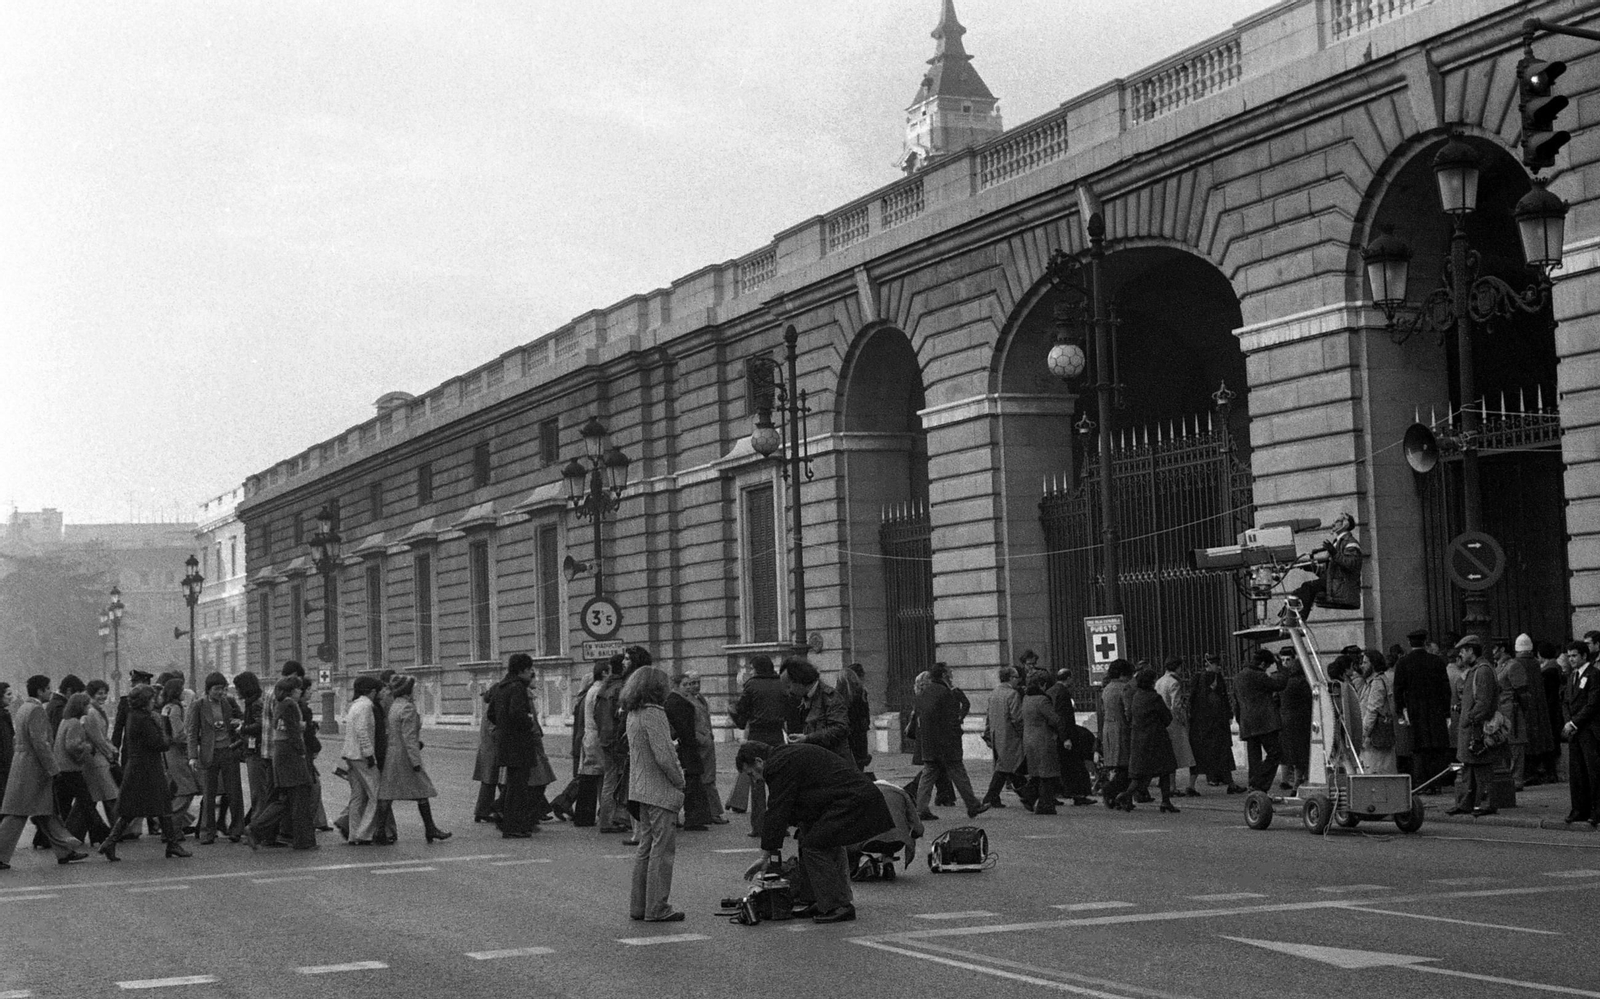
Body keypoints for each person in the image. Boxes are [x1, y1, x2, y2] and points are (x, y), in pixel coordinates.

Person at [737, 739, 894, 925]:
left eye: (751, 773)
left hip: (852, 801)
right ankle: (823, 901)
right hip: (849, 799)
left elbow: (778, 809)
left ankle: (838, 905)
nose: (755, 780)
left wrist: (765, 855)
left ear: (759, 761)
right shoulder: (784, 756)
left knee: (815, 844)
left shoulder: (778, 765)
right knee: (810, 836)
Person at [96, 683, 191, 862]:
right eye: (152, 698)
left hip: (139, 767)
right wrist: (164, 731)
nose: (154, 701)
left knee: (135, 809)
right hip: (147, 768)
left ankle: (111, 842)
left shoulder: (134, 716)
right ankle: (171, 844)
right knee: (161, 806)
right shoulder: (145, 719)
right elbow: (159, 744)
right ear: (145, 701)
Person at [623, 665, 685, 922]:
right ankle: (657, 907)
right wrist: (679, 780)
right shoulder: (655, 714)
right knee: (663, 849)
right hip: (659, 789)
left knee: (646, 847)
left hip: (639, 788)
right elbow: (665, 755)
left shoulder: (632, 713)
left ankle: (639, 906)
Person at [243, 677, 316, 850]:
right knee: (300, 797)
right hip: (290, 755)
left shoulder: (279, 704)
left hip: (281, 754)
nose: (301, 692)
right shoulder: (290, 705)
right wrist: (302, 751)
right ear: (292, 691)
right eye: (298, 689)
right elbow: (292, 732)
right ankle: (303, 840)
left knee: (285, 799)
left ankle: (256, 828)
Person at [378, 675, 452, 843]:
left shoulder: (394, 706)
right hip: (405, 756)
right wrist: (416, 761)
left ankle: (380, 831)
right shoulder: (408, 708)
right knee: (422, 791)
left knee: (387, 793)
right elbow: (409, 737)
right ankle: (430, 828)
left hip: (392, 754)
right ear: (407, 691)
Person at [909, 662, 988, 820]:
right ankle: (973, 805)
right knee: (958, 773)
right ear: (944, 675)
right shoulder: (946, 693)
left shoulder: (924, 693)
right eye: (949, 672)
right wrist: (957, 733)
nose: (952, 675)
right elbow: (951, 719)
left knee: (928, 775)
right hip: (946, 743)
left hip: (929, 742)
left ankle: (921, 808)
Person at [729, 655, 789, 838]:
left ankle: (759, 825)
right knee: (779, 782)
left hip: (757, 734)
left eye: (752, 668)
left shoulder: (751, 685)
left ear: (757, 669)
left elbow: (741, 715)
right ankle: (781, 824)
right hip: (777, 735)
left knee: (757, 781)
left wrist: (732, 712)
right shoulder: (781, 684)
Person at [1391, 628, 1452, 791]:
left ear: (1410, 643)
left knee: (1418, 748)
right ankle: (1436, 783)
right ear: (1425, 642)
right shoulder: (1437, 661)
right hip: (1436, 709)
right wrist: (1447, 712)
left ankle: (1421, 783)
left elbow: (1398, 690)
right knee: (1435, 747)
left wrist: (1401, 711)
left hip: (1414, 710)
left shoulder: (1403, 663)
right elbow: (1445, 689)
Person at [1448, 635, 1502, 817]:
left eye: (1463, 651)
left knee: (1482, 768)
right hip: (1471, 728)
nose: (1461, 655)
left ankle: (1486, 804)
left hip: (1477, 729)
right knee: (1469, 768)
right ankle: (1466, 803)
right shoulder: (1475, 670)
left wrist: (1470, 718)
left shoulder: (1483, 670)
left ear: (1471, 650)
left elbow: (1484, 702)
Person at [186, 672, 243, 845]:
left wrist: (237, 723)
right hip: (208, 754)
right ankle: (207, 832)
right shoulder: (199, 705)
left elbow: (241, 718)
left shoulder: (229, 702)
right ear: (208, 689)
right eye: (217, 689)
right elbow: (192, 732)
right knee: (209, 795)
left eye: (223, 689)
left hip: (228, 751)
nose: (220, 692)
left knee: (234, 793)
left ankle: (236, 830)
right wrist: (192, 756)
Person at [52, 693, 109, 845]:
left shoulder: (65, 721)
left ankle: (94, 833)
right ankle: (100, 831)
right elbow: (72, 745)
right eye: (86, 705)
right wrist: (88, 747)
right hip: (71, 769)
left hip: (61, 768)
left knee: (67, 805)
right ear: (80, 707)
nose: (89, 708)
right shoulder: (75, 723)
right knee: (86, 801)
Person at [1287, 511, 1362, 623]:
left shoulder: (1350, 543)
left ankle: (1299, 620)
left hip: (1341, 586)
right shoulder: (1337, 543)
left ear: (1345, 524)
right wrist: (1311, 567)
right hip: (1334, 583)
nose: (1333, 524)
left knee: (1308, 587)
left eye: (1336, 521)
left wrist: (1334, 553)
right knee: (1297, 593)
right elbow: (1327, 572)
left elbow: (1351, 564)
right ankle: (1288, 619)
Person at [780, 657, 855, 767]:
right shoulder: (803, 698)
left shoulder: (830, 697)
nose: (788, 691)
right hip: (819, 762)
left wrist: (807, 738)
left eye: (789, 686)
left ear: (800, 681)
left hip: (835, 764)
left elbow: (840, 729)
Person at [1123, 668, 1180, 812]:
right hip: (1156, 739)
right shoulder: (1154, 698)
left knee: (1140, 773)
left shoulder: (1136, 696)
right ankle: (1165, 801)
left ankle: (1127, 795)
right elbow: (1167, 717)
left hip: (1138, 739)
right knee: (1165, 770)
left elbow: (1129, 716)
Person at [1234, 648, 1288, 794]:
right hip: (1264, 723)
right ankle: (1259, 784)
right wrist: (1281, 668)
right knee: (1275, 753)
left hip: (1247, 723)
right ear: (1263, 663)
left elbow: (1236, 703)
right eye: (1267, 665)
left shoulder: (1238, 676)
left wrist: (1240, 721)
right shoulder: (1258, 676)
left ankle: (1253, 785)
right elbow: (1279, 684)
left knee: (1254, 758)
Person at [1187, 654, 1243, 793]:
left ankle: (1191, 786)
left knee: (1200, 757)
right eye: (1216, 664)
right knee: (1223, 755)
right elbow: (1222, 703)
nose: (1219, 667)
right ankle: (1230, 784)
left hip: (1201, 728)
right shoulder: (1212, 690)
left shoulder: (1198, 683)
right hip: (1215, 727)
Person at [340, 676, 382, 845]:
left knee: (357, 796)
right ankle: (364, 833)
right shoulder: (366, 706)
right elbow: (362, 731)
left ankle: (353, 833)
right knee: (376, 793)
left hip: (350, 755)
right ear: (371, 692)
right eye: (376, 691)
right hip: (361, 756)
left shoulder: (355, 705)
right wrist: (369, 754)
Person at [680, 672, 727, 824]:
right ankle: (713, 812)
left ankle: (711, 811)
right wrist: (701, 738)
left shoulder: (700, 698)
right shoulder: (687, 701)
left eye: (697, 682)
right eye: (691, 683)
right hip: (701, 743)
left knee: (709, 778)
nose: (695, 686)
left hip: (707, 743)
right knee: (705, 779)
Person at [664, 675, 709, 830]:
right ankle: (694, 819)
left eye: (691, 684)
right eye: (686, 684)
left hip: (680, 746)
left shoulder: (672, 701)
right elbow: (685, 729)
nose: (689, 687)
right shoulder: (681, 703)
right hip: (686, 748)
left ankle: (683, 818)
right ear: (677, 685)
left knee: (686, 783)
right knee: (692, 784)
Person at [1564, 639, 1600, 827]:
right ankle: (1578, 809)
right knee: (1577, 772)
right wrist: (1568, 721)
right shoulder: (1572, 676)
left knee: (1592, 772)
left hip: (1589, 730)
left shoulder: (1594, 675)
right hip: (1575, 731)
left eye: (1574, 655)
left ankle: (1596, 811)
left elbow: (1593, 703)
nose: (1571, 659)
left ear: (1584, 656)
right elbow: (1566, 701)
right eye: (1569, 656)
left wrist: (1574, 722)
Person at [593, 655, 631, 835]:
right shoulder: (619, 689)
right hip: (616, 739)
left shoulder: (604, 689)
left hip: (605, 737)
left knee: (609, 779)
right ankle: (612, 819)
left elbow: (596, 715)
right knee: (617, 780)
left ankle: (606, 819)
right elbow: (621, 716)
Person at [157, 678, 198, 835]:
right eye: (181, 690)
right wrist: (193, 738)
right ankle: (171, 826)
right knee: (186, 790)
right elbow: (179, 734)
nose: (183, 693)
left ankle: (173, 826)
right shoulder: (176, 709)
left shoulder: (166, 708)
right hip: (178, 752)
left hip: (168, 753)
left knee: (180, 789)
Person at [1018, 669, 1062, 813]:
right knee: (1047, 773)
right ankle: (1045, 805)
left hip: (1028, 738)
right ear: (1042, 684)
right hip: (1043, 738)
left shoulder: (1026, 698)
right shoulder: (1042, 700)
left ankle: (1029, 796)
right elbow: (1054, 719)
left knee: (1037, 772)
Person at [981, 666, 1024, 808]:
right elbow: (1017, 718)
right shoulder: (1012, 694)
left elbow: (988, 715)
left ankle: (993, 798)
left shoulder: (994, 693)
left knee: (1006, 767)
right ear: (1011, 678)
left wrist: (987, 733)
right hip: (1009, 736)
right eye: (1016, 677)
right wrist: (1022, 733)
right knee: (1007, 768)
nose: (1018, 680)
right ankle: (991, 797)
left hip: (996, 735)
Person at [1155, 658, 1197, 797]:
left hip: (1161, 721)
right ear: (1177, 667)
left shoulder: (1159, 681)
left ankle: (1167, 784)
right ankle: (1172, 786)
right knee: (1174, 755)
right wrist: (1183, 720)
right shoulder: (1174, 683)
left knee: (1166, 754)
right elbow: (1176, 705)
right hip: (1173, 722)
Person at [1097, 659, 1134, 807]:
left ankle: (1115, 796)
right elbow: (1128, 711)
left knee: (1115, 764)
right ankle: (1113, 791)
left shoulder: (1107, 688)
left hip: (1108, 727)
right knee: (1125, 765)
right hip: (1121, 729)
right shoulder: (1124, 688)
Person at [1276, 649, 1312, 790]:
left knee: (1287, 751)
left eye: (1288, 660)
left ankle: (1287, 780)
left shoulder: (1280, 679)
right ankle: (1296, 781)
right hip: (1299, 720)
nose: (1285, 663)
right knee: (1298, 752)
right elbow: (1309, 700)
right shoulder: (1301, 680)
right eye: (1283, 660)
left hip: (1286, 718)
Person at [1358, 649, 1398, 774]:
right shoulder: (1372, 682)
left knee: (1376, 770)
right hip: (1376, 735)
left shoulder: (1377, 683)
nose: (1362, 666)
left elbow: (1372, 711)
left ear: (1373, 664)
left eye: (1365, 663)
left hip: (1375, 736)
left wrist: (1363, 734)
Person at [472, 678, 502, 824]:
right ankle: (486, 810)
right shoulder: (493, 709)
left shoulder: (490, 707)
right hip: (492, 751)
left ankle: (483, 811)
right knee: (492, 782)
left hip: (488, 750)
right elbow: (494, 730)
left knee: (490, 782)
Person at [835, 663, 873, 775]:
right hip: (859, 736)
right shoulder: (860, 694)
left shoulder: (837, 696)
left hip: (846, 736)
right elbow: (865, 716)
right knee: (858, 767)